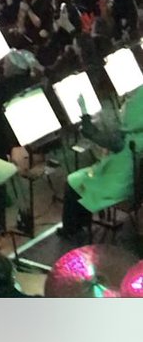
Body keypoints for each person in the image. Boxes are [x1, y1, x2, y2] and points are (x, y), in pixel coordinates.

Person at [61, 85, 143, 237]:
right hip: (136, 189)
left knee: (73, 181)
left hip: (117, 187)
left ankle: (72, 229)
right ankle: (81, 223)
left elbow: (92, 134)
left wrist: (84, 112)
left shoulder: (125, 140)